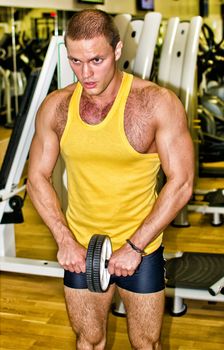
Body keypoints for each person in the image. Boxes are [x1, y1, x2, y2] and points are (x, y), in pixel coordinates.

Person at [27, 9, 194, 350]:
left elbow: (182, 183)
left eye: (96, 60)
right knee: (88, 340)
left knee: (146, 344)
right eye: (75, 61)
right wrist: (64, 239)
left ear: (117, 51)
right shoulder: (56, 107)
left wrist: (134, 247)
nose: (85, 74)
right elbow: (37, 178)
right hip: (81, 246)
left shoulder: (156, 103)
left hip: (142, 247)